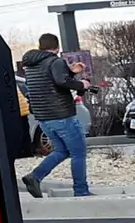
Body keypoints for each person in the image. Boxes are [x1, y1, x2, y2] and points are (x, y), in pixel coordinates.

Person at [17, 34, 91, 199]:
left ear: (40, 46)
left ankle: (34, 177)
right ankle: (81, 190)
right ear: (57, 48)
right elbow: (61, 81)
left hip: (44, 118)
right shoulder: (56, 61)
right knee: (78, 153)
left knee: (62, 151)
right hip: (62, 115)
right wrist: (82, 84)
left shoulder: (31, 65)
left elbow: (51, 79)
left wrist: (70, 71)